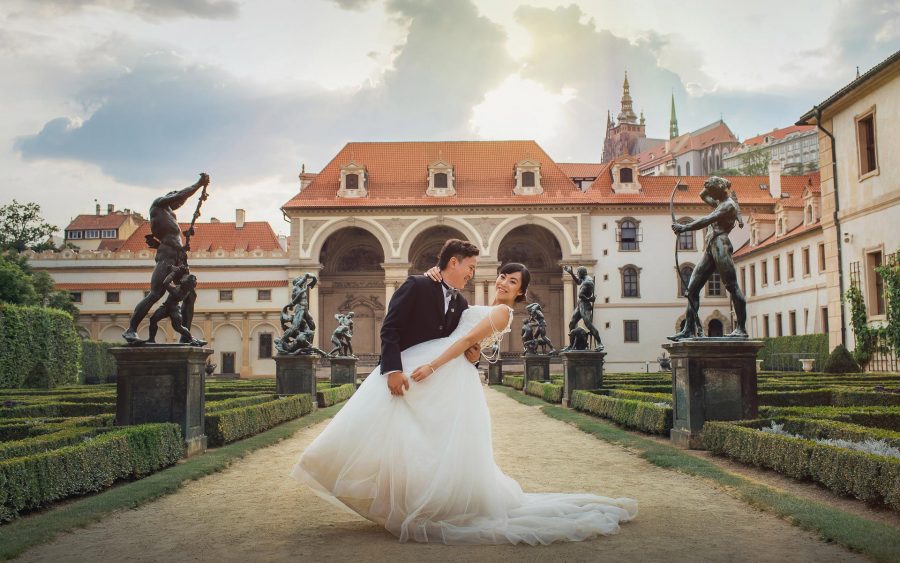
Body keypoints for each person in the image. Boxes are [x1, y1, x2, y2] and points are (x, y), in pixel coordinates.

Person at [291, 261, 637, 545]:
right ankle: (405, 495)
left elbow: (468, 341)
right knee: (418, 432)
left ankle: (423, 500)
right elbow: (455, 326)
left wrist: (433, 364)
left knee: (427, 434)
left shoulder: (503, 314)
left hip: (445, 369)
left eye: (511, 280)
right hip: (444, 365)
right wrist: (433, 276)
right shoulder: (481, 305)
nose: (502, 282)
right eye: (502, 275)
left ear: (521, 291)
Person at [123, 173, 209, 344]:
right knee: (155, 293)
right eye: (177, 201)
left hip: (178, 257)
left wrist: (183, 244)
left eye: (180, 204)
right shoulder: (158, 204)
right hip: (167, 258)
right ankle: (131, 330)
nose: (179, 204)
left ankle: (186, 336)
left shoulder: (171, 216)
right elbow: (180, 196)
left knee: (190, 295)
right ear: (170, 196)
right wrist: (199, 184)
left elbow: (173, 235)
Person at [668, 176, 748, 340]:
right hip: (712, 245)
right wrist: (709, 185)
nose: (710, 194)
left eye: (713, 191)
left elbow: (706, 220)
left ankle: (741, 328)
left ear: (719, 190)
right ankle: (689, 329)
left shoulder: (728, 206)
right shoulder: (720, 202)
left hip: (721, 245)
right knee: (692, 289)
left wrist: (684, 227)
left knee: (732, 286)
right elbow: (702, 195)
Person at [561, 265, 603, 351]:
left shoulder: (588, 282)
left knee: (588, 325)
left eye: (577, 273)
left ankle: (599, 343)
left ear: (581, 273)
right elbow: (578, 282)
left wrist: (589, 299)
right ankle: (571, 345)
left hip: (585, 305)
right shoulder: (584, 279)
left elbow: (580, 295)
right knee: (572, 323)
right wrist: (571, 273)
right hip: (580, 304)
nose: (577, 274)